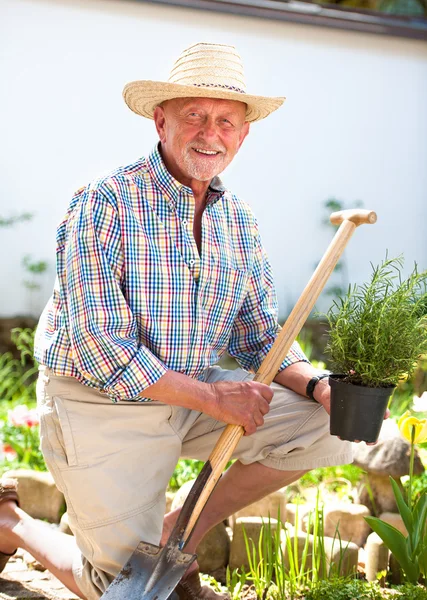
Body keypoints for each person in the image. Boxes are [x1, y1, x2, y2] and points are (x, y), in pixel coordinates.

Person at [0, 43, 354, 600]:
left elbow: (261, 333)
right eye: (194, 116)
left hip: (187, 396)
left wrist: (317, 385)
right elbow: (101, 344)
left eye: (226, 122)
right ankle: (11, 525)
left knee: (330, 429)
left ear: (243, 136)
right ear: (160, 120)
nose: (209, 133)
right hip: (100, 401)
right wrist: (215, 400)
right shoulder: (104, 202)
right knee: (119, 590)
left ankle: (174, 538)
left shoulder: (239, 221)